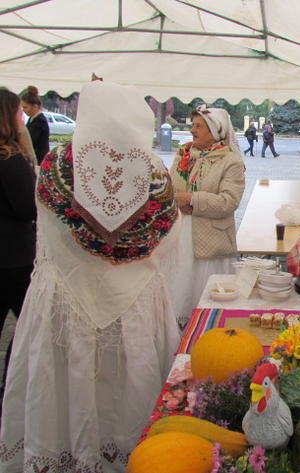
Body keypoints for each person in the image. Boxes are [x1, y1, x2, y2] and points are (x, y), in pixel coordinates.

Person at [0, 81, 182, 472]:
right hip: (134, 305)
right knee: (129, 385)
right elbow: (169, 238)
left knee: (64, 385)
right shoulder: (153, 172)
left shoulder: (54, 167)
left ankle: (66, 453)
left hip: (64, 301)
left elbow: (46, 226)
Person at [169, 105, 245, 324]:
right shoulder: (184, 154)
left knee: (207, 298)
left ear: (216, 131)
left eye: (199, 126)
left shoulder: (230, 161)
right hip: (180, 237)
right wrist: (174, 198)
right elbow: (171, 187)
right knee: (181, 291)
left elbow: (229, 202)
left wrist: (192, 199)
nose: (193, 130)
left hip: (210, 243)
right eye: (193, 125)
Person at [0, 88, 36, 405]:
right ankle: (12, 394)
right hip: (13, 258)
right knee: (28, 328)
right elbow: (29, 208)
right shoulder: (11, 160)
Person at [20, 85, 49, 165]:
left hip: (40, 160)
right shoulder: (32, 119)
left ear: (35, 106)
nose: (23, 110)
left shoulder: (40, 121)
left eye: (25, 107)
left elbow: (30, 140)